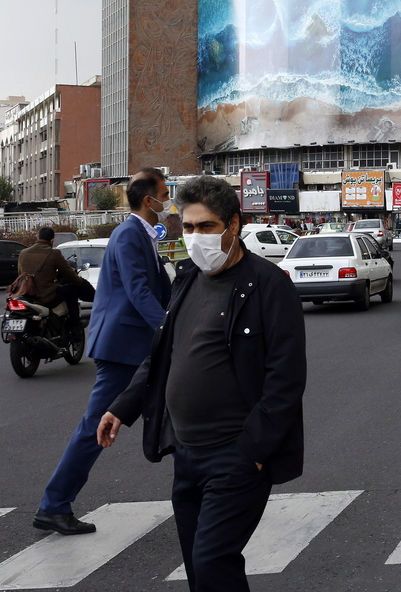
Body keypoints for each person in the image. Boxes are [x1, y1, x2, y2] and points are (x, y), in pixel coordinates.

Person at [96, 175, 306, 592]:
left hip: (237, 456)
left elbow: (286, 378)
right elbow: (164, 356)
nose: (195, 237)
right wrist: (122, 406)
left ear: (233, 225)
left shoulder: (268, 284)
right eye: (188, 228)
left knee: (212, 561)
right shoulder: (187, 279)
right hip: (186, 455)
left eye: (206, 226)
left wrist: (253, 451)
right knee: (201, 568)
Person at [32, 168, 173, 535]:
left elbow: (157, 290)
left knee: (178, 411)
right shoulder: (128, 235)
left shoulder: (144, 234)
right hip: (123, 346)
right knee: (96, 426)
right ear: (149, 200)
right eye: (165, 192)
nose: (169, 199)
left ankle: (206, 494)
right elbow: (139, 291)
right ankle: (54, 504)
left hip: (135, 344)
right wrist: (171, 328)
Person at [17, 227, 88, 329]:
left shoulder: (23, 253)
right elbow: (69, 273)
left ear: (37, 238)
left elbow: (20, 273)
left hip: (25, 294)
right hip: (44, 297)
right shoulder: (54, 253)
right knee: (71, 289)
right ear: (52, 241)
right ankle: (74, 323)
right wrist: (80, 282)